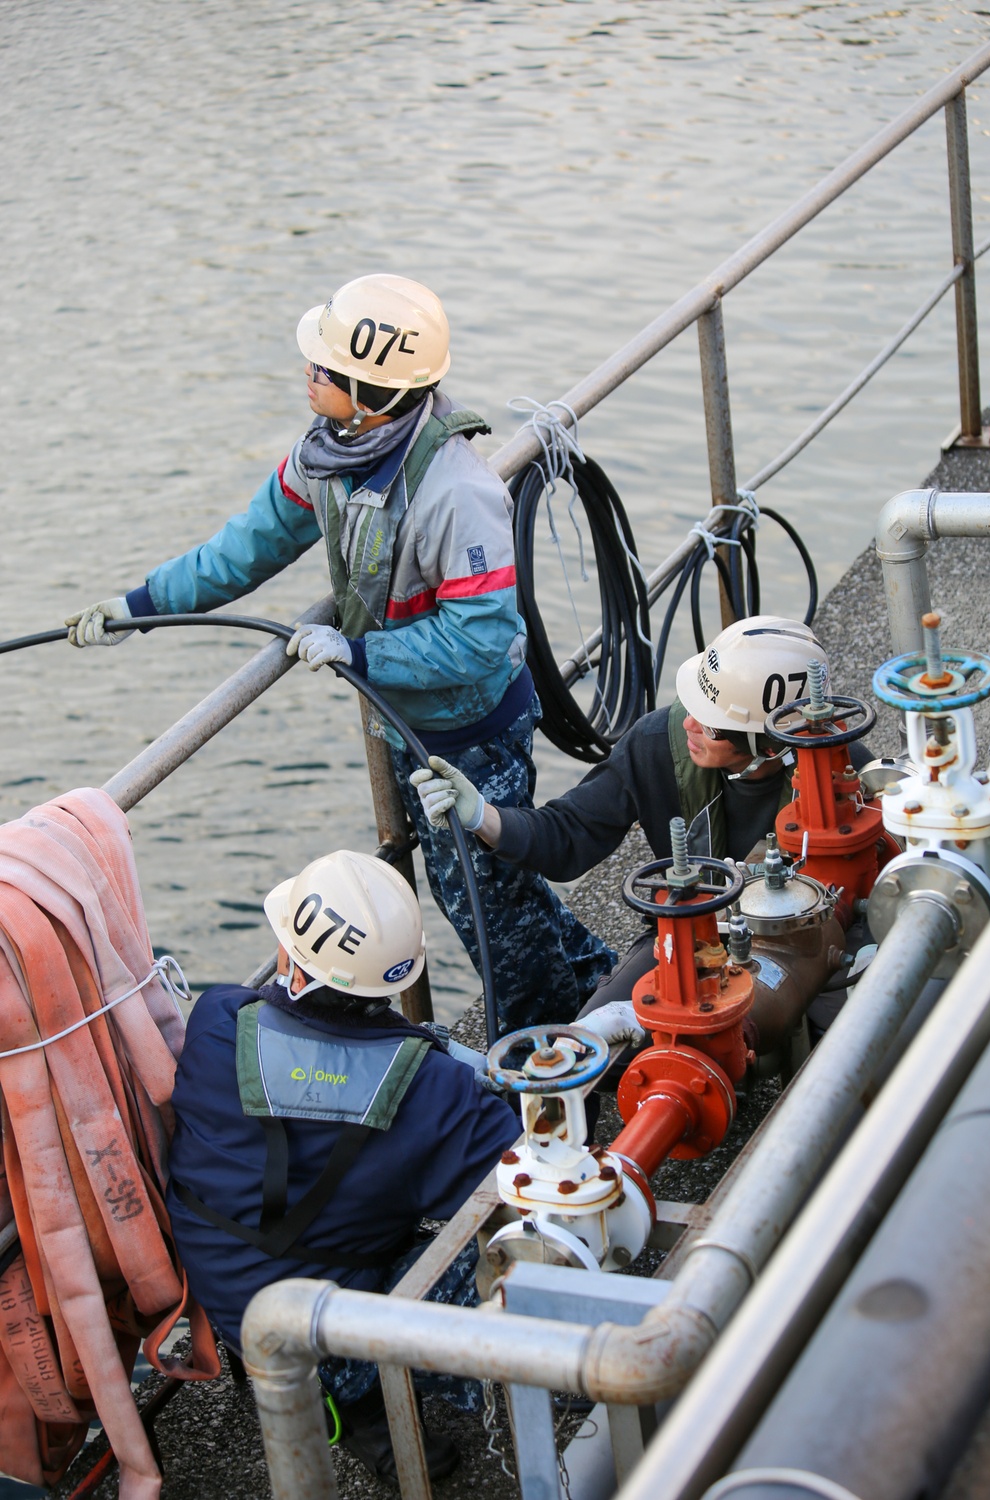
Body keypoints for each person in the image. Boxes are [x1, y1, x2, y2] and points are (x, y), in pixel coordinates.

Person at [64, 274, 613, 1033]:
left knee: (487, 912)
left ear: (372, 391)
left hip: (475, 738)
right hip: (404, 722)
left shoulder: (456, 493)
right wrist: (138, 608)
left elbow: (483, 638)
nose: (308, 372)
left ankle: (543, 1060)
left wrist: (358, 652)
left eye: (323, 367)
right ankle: (606, 985)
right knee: (494, 892)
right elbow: (246, 547)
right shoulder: (327, 454)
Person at [165, 848, 639, 1483]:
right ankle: (358, 1386)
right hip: (330, 1330)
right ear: (394, 980)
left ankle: (351, 1404)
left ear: (291, 962)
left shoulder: (218, 1021)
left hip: (232, 1312)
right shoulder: (434, 1096)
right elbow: (544, 1184)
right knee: (568, 1272)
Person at [412, 615, 848, 1012]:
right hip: (687, 935)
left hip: (798, 944)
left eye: (710, 722)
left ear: (768, 745)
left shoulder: (841, 776)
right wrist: (482, 816)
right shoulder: (657, 745)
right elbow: (568, 834)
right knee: (597, 1040)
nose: (688, 725)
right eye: (692, 703)